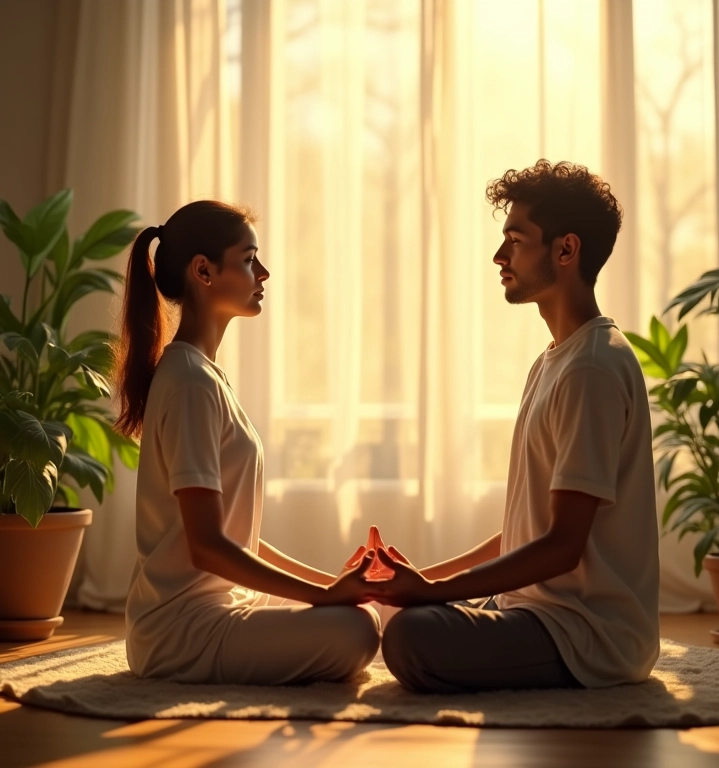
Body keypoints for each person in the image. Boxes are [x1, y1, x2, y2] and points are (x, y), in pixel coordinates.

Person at [360, 159, 660, 694]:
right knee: (397, 616)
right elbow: (530, 531)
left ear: (565, 251)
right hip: (537, 610)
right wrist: (430, 580)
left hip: (586, 635)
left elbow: (563, 546)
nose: (499, 256)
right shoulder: (554, 360)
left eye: (515, 240)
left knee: (410, 637)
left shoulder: (591, 367)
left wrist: (434, 594)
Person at [115, 201, 379, 685]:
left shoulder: (202, 375)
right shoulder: (192, 383)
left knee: (375, 606)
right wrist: (324, 599)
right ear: (204, 271)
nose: (265, 272)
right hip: (181, 632)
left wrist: (326, 584)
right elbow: (208, 548)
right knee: (359, 629)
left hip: (219, 606)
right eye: (249, 258)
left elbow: (237, 540)